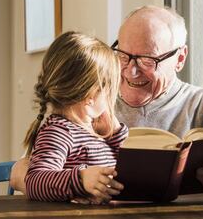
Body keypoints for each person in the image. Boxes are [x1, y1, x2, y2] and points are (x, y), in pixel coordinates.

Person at [11, 5, 203, 203]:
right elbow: (24, 173)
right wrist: (76, 184)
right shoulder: (93, 99)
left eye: (146, 60)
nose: (130, 72)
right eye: (124, 55)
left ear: (180, 58)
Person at [21, 31, 128, 204]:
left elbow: (125, 170)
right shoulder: (59, 131)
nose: (111, 99)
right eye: (109, 91)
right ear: (91, 96)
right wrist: (81, 180)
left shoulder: (94, 131)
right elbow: (35, 181)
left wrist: (116, 134)